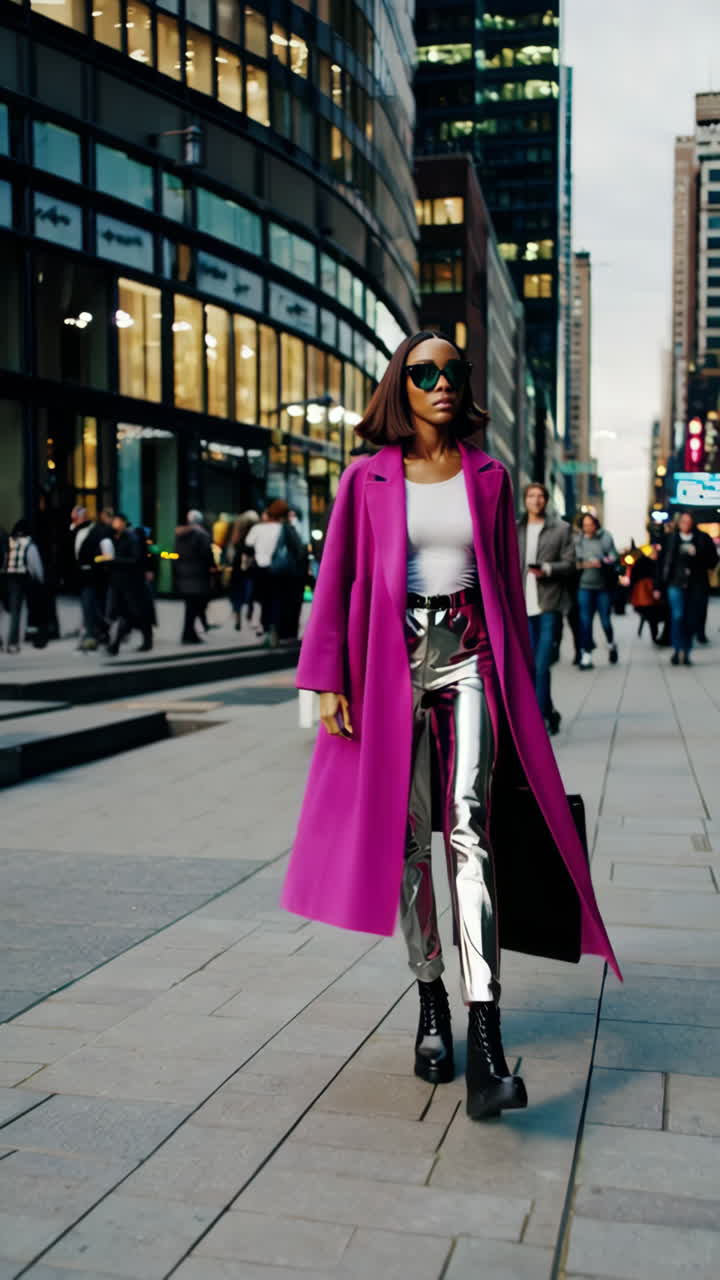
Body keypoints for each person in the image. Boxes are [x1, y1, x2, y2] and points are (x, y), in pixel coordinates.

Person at [282, 330, 620, 1122]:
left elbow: (501, 582)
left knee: (472, 829)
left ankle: (486, 1031)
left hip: (471, 655)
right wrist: (326, 676)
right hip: (389, 662)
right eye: (424, 371)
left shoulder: (491, 477)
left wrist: (522, 688)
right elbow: (339, 576)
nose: (440, 382)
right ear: (400, 385)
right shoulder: (365, 476)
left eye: (452, 371)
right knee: (405, 838)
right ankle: (431, 996)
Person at [517, 483, 575, 735]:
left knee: (541, 666)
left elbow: (571, 564)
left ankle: (538, 723)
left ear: (547, 500)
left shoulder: (561, 529)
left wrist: (548, 569)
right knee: (530, 668)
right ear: (525, 500)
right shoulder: (514, 529)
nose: (536, 500)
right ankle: (550, 713)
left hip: (549, 604)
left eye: (541, 496)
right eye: (531, 495)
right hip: (521, 606)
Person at [656, 512, 717, 666]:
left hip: (696, 585)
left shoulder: (702, 538)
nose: (686, 524)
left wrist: (698, 553)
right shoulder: (670, 539)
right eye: (683, 521)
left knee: (691, 619)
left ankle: (687, 651)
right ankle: (677, 650)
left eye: (689, 522)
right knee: (677, 617)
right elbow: (661, 563)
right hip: (675, 583)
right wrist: (658, 586)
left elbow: (713, 561)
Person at [245, 499, 304, 646]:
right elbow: (297, 550)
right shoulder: (285, 528)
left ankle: (267, 629)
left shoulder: (258, 529)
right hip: (280, 570)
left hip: (260, 570)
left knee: (264, 602)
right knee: (279, 601)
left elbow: (247, 547)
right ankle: (277, 630)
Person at [575, 513, 620, 670]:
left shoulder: (605, 537)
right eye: (585, 525)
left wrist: (606, 560)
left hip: (603, 587)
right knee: (585, 622)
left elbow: (614, 555)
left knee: (605, 621)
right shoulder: (578, 540)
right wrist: (587, 564)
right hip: (584, 586)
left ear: (596, 524)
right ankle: (586, 654)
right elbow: (574, 562)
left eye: (591, 525)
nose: (588, 528)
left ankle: (611, 644)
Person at [106, 514, 153, 654]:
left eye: (116, 521)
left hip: (131, 583)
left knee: (132, 614)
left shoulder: (131, 538)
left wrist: (115, 560)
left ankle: (117, 644)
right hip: (120, 582)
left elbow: (135, 559)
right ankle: (117, 644)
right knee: (128, 614)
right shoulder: (116, 537)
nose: (114, 524)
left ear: (123, 523)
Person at [71, 506, 115, 650]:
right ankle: (101, 632)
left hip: (94, 574)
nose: (75, 520)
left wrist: (103, 565)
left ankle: (92, 636)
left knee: (90, 605)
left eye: (77, 517)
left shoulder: (96, 531)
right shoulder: (75, 531)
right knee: (91, 606)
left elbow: (107, 551)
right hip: (82, 574)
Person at [1, 520, 44, 653]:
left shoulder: (9, 541)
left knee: (8, 611)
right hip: (22, 579)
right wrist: (40, 579)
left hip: (7, 578)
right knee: (18, 611)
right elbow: (35, 565)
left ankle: (6, 641)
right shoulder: (29, 544)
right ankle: (14, 642)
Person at [173, 510, 215, 645]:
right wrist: (212, 567)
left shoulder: (180, 535)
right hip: (198, 574)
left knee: (190, 606)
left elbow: (176, 555)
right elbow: (207, 554)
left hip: (184, 574)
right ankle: (189, 634)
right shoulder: (202, 535)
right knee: (195, 605)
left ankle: (189, 633)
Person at [628, 547, 663, 643]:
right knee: (652, 613)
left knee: (650, 614)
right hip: (647, 594)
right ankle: (655, 634)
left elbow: (632, 580)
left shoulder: (639, 564)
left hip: (644, 595)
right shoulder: (650, 563)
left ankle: (654, 634)